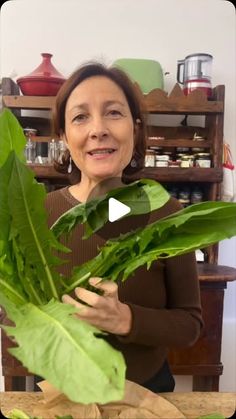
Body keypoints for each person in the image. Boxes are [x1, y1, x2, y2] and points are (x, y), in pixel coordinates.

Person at [45, 62, 203, 393]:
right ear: (63, 135)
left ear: (136, 127)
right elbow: (11, 317)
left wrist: (125, 319)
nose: (98, 129)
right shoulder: (38, 216)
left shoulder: (169, 215)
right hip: (59, 395)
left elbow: (190, 325)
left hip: (147, 394)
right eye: (80, 117)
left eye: (113, 113)